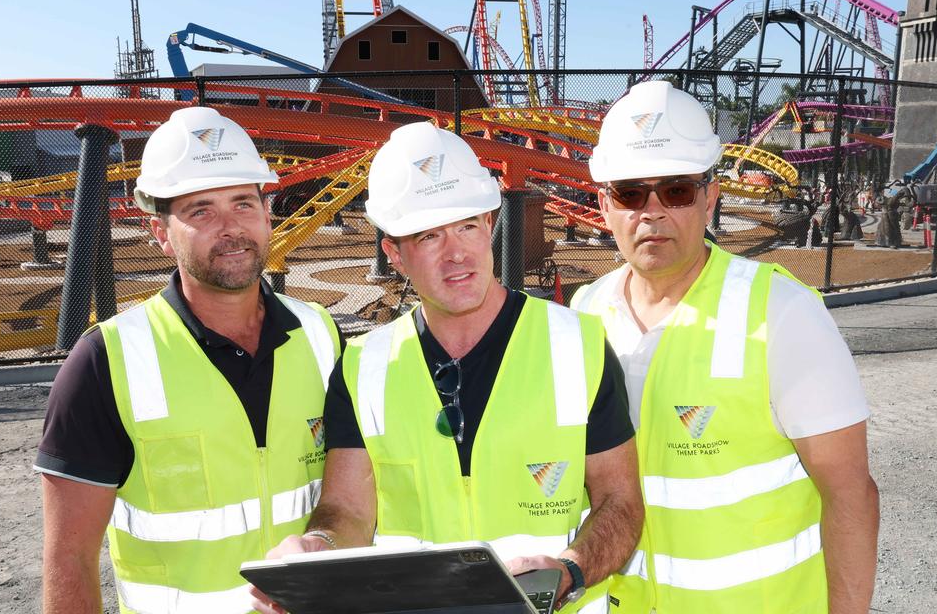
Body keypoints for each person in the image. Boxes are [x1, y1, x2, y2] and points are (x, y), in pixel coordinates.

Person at [251, 122, 643, 613]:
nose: (457, 253)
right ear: (394, 253)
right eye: (429, 235)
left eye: (467, 226)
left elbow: (620, 502)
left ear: (490, 223)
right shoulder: (364, 366)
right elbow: (347, 510)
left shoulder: (577, 344)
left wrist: (569, 569)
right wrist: (318, 549)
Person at [571, 82, 880, 614]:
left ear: (710, 199)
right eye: (629, 193)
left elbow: (851, 495)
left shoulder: (782, 313)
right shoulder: (584, 313)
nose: (652, 212)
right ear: (604, 204)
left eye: (676, 190)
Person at [35, 107, 342, 614]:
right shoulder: (106, 361)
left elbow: (346, 496)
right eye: (200, 210)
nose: (230, 227)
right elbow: (68, 557)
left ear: (268, 214)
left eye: (243, 203)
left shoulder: (320, 334)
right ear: (160, 231)